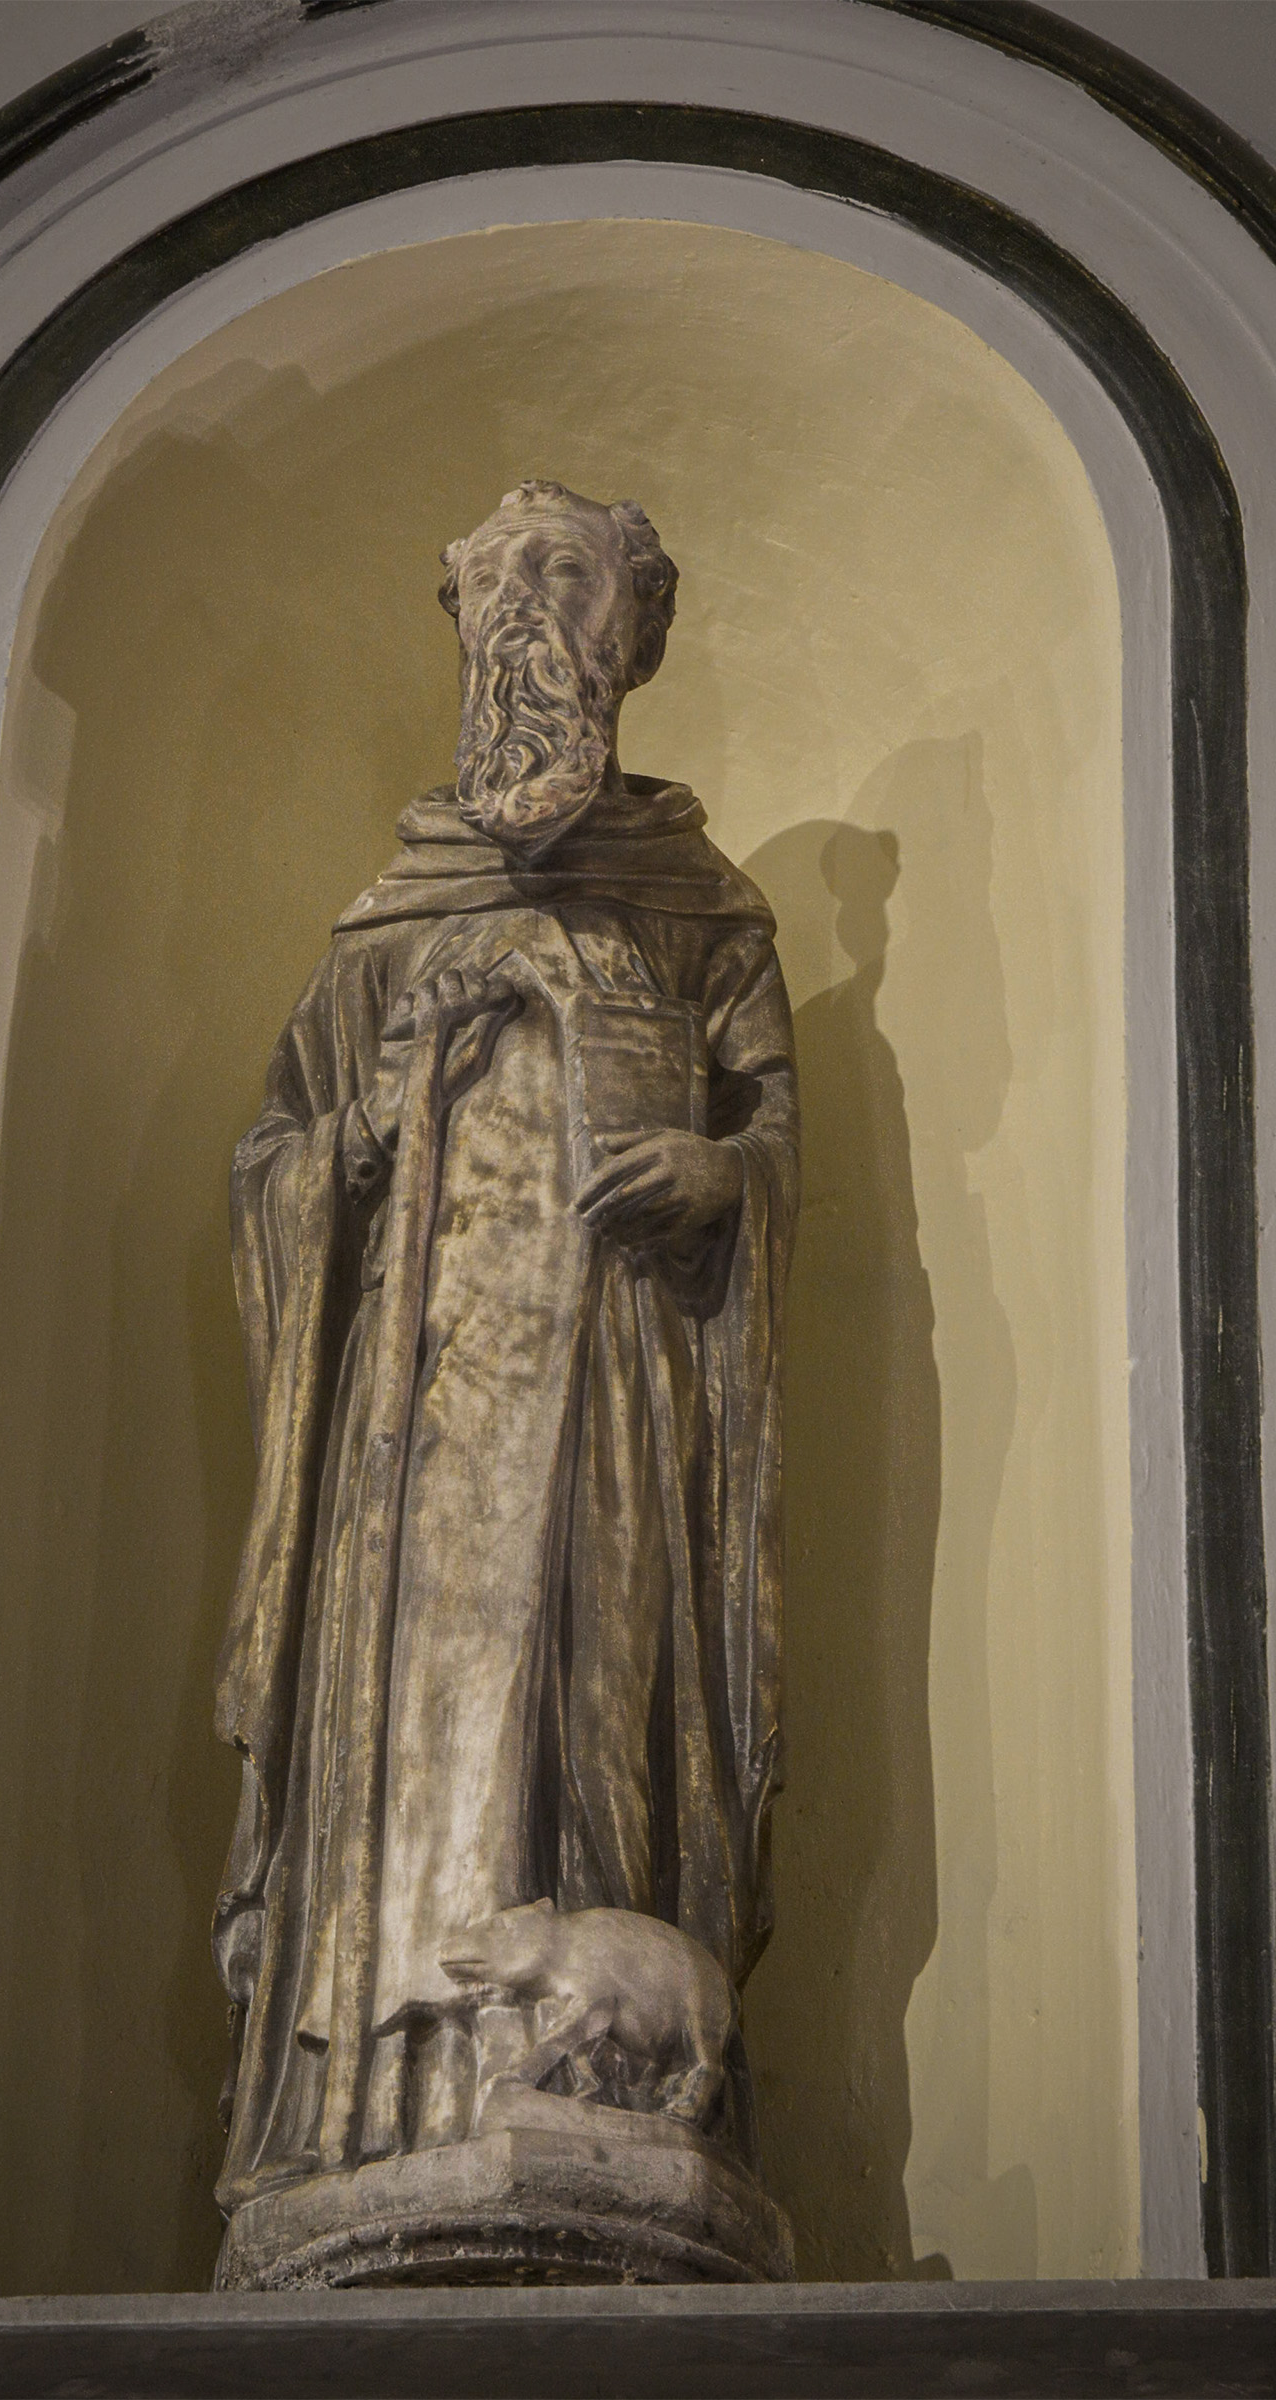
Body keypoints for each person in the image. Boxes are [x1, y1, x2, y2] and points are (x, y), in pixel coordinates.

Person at [211, 481, 799, 2217]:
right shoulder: (390, 920)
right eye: (493, 585)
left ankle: (601, 2082)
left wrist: (723, 1176)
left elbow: (772, 1143)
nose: (527, 613)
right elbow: (273, 1161)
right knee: (403, 1729)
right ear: (458, 623)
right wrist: (365, 1136)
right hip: (408, 1432)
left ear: (638, 631)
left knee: (597, 1709)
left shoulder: (702, 912)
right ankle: (368, 2123)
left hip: (617, 1409)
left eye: (567, 577)